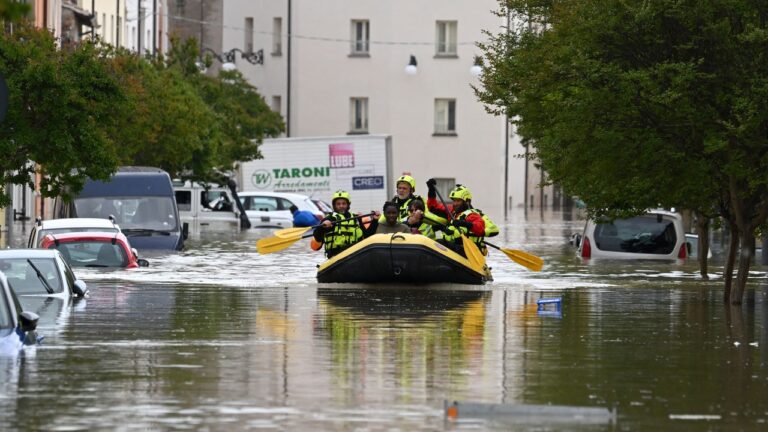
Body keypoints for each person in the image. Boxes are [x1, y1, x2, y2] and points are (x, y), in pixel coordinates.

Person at [426, 180, 486, 257]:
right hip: (453, 248)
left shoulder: (472, 215)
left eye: (458, 201)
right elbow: (433, 206)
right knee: (436, 242)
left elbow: (481, 229)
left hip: (468, 251)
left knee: (440, 243)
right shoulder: (451, 211)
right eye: (454, 201)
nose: (455, 204)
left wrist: (464, 223)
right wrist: (431, 190)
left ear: (467, 202)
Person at [312, 190, 378, 258]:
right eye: (338, 204)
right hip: (336, 255)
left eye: (344, 203)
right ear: (334, 205)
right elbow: (317, 236)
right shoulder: (330, 219)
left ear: (348, 205)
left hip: (355, 253)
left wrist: (375, 221)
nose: (341, 206)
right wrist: (323, 227)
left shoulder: (356, 218)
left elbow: (367, 236)